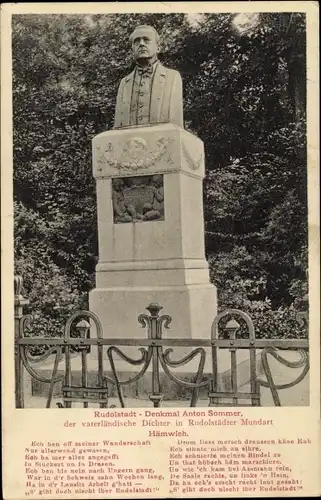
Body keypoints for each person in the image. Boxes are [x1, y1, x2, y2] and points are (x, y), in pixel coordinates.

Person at [114, 25, 184, 128]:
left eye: (146, 40)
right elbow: (118, 126)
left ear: (158, 48)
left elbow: (176, 126)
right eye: (137, 41)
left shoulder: (172, 77)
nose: (141, 44)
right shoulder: (124, 83)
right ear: (132, 50)